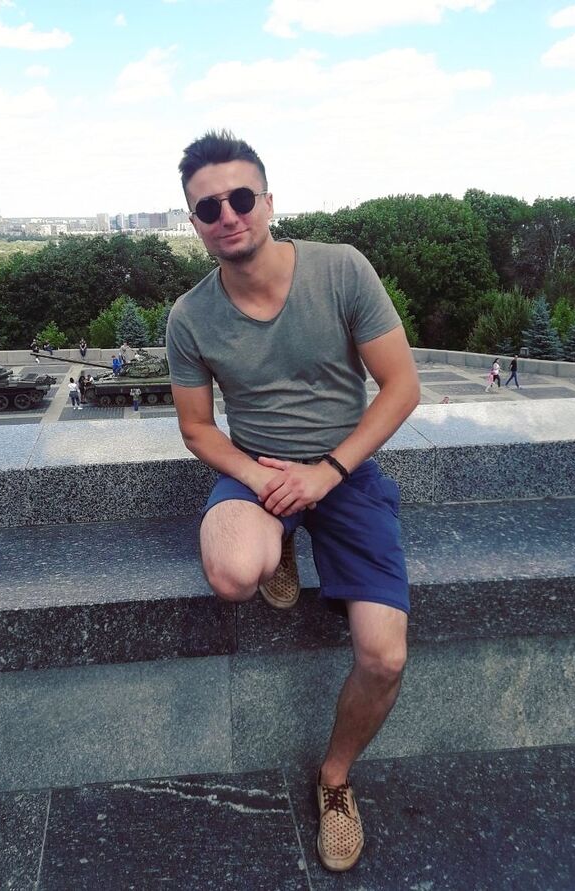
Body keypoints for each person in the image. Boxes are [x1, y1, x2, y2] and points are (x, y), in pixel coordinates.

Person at [166, 130, 420, 873]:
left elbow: (402, 386)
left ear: (269, 202)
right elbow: (196, 428)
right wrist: (259, 479)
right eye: (208, 207)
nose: (228, 215)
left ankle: (334, 780)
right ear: (195, 223)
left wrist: (326, 473)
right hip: (258, 471)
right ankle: (278, 539)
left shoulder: (340, 269)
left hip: (346, 472)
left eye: (241, 197)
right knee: (232, 572)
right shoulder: (190, 316)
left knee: (384, 655)